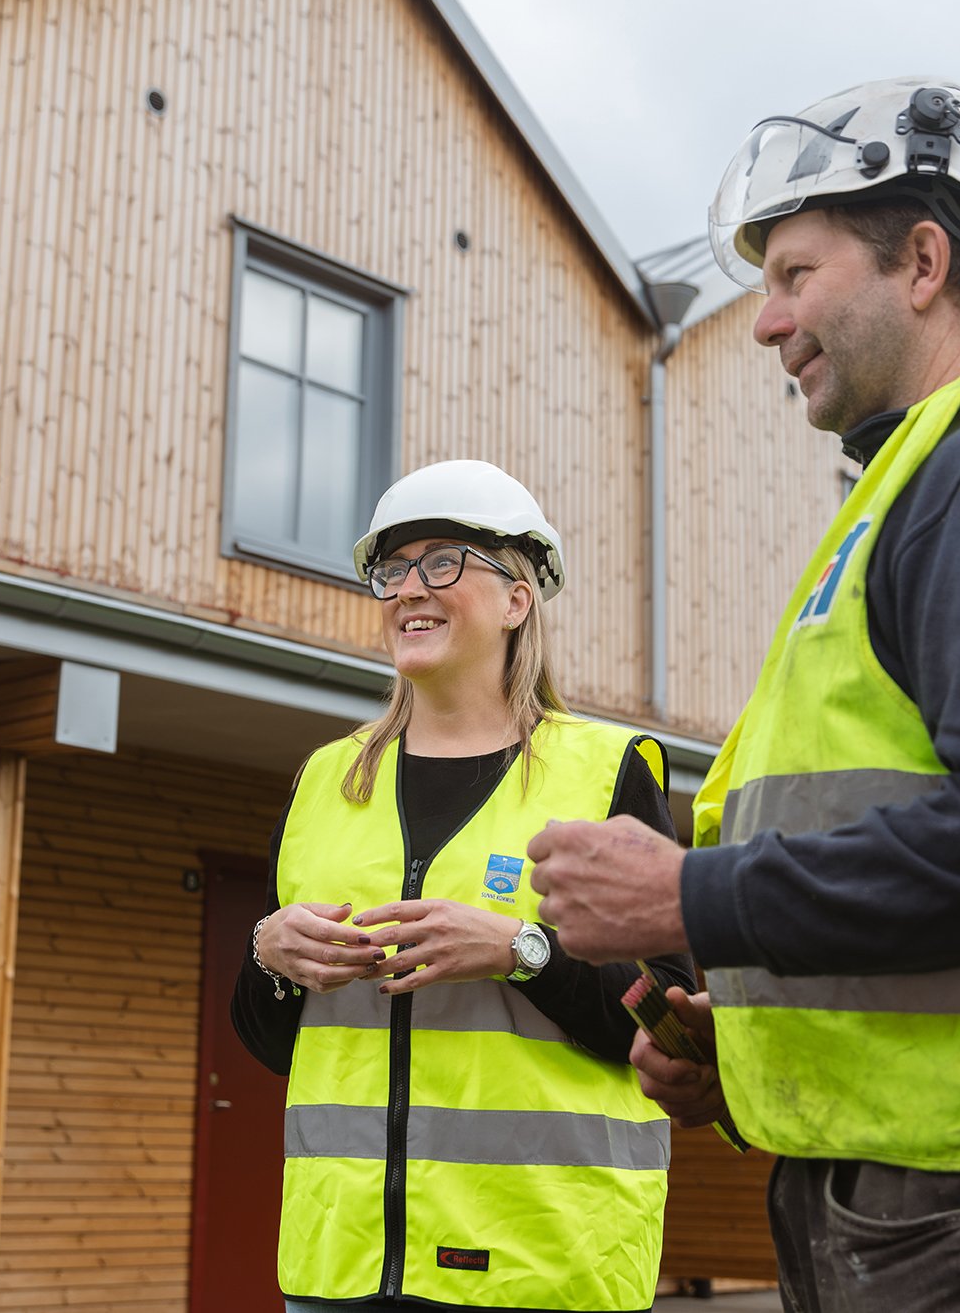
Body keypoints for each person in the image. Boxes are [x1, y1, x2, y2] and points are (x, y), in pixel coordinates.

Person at [528, 77, 960, 1310]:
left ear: (918, 261)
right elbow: (889, 854)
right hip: (923, 1185)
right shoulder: (918, 487)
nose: (764, 322)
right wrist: (735, 1050)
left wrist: (683, 887)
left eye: (794, 274)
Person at [232, 459, 691, 1313]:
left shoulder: (602, 775)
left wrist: (520, 952)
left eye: (443, 561)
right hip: (340, 1267)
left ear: (519, 598)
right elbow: (272, 1043)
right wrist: (269, 955)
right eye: (392, 569)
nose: (410, 588)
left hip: (542, 1266)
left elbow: (669, 1012)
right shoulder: (323, 783)